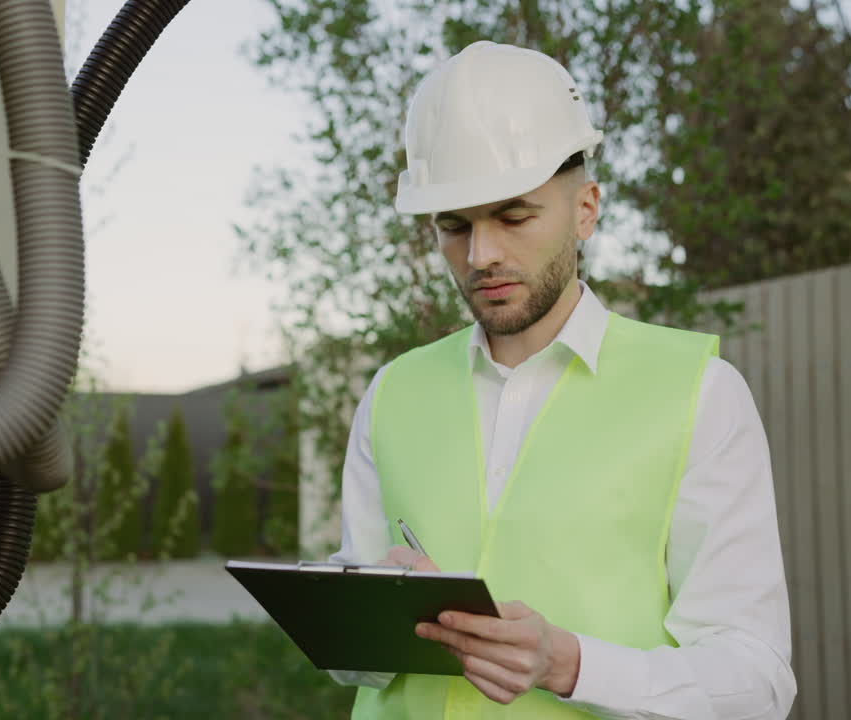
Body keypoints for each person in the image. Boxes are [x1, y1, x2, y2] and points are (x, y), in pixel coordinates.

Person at [327, 41, 796, 719]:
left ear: (586, 209)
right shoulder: (392, 393)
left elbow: (755, 682)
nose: (481, 255)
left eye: (513, 217)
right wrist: (373, 619)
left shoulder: (699, 393)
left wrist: (569, 664)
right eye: (454, 227)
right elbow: (355, 668)